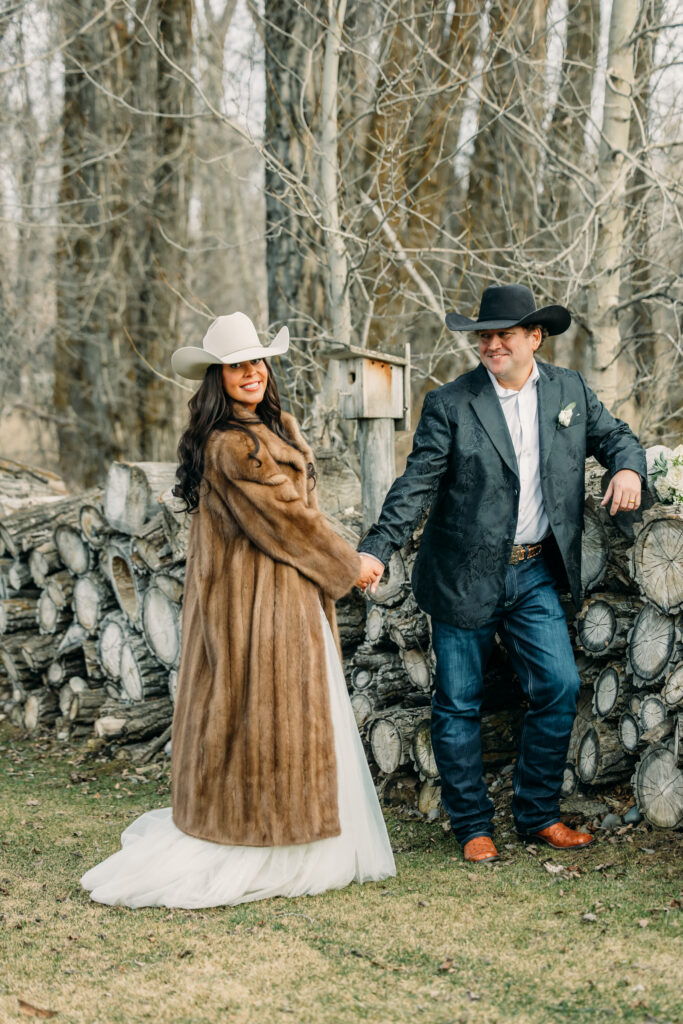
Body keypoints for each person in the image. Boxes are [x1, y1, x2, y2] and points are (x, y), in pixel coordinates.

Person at [81, 312, 395, 908]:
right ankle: (262, 839)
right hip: (255, 607)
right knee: (261, 722)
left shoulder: (273, 428)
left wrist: (336, 561)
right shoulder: (231, 445)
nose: (251, 372)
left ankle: (296, 835)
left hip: (286, 597)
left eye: (256, 361)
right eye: (235, 366)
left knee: (289, 721)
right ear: (217, 378)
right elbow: (288, 521)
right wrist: (350, 564)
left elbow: (299, 518)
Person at [357, 284, 646, 864]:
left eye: (504, 335)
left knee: (559, 686)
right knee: (458, 702)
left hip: (534, 570)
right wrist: (377, 549)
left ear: (534, 337)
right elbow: (415, 484)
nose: (491, 344)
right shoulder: (450, 403)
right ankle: (472, 826)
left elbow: (616, 436)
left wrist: (628, 469)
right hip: (462, 573)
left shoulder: (568, 390)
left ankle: (537, 813)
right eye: (484, 336)